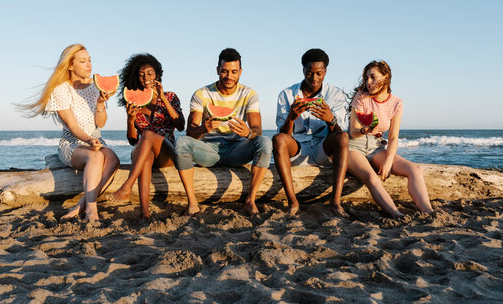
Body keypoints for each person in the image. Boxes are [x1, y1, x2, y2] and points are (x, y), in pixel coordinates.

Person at [19, 44, 120, 221]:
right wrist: (89, 140)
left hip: (95, 140)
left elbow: (100, 123)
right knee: (95, 157)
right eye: (83, 61)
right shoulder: (61, 90)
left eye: (89, 60)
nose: (89, 64)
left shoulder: (96, 87)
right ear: (70, 66)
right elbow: (73, 127)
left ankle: (80, 206)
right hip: (72, 144)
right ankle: (91, 209)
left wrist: (100, 104)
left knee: (113, 159)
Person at [174, 48, 272, 216]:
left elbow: (257, 130)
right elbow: (190, 133)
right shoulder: (202, 94)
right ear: (217, 70)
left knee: (265, 142)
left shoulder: (249, 94)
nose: (229, 76)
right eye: (225, 71)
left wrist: (248, 133)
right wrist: (203, 128)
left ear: (240, 72)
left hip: (237, 150)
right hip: (208, 151)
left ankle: (250, 200)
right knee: (181, 143)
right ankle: (192, 203)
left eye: (234, 72)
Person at [347, 60, 433, 217]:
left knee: (415, 169)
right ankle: (397, 215)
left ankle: (428, 212)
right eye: (366, 78)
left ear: (385, 76)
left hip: (376, 147)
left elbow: (393, 137)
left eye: (372, 77)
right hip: (354, 146)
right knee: (372, 178)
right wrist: (366, 130)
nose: (368, 82)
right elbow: (353, 132)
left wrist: (388, 162)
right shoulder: (361, 97)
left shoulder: (396, 102)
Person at [107, 54, 185, 222]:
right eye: (141, 75)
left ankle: (127, 186)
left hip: (165, 151)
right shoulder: (135, 101)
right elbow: (133, 140)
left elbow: (180, 125)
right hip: (143, 152)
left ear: (157, 74)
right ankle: (145, 214)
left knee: (148, 134)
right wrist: (130, 119)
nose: (146, 78)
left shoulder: (170, 96)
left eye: (150, 73)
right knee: (146, 155)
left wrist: (162, 97)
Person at [273, 48, 350, 217]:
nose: (314, 78)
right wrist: (291, 118)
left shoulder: (336, 95)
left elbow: (338, 136)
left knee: (343, 137)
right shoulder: (286, 95)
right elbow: (284, 136)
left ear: (325, 72)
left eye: (319, 73)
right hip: (297, 149)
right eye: (309, 73)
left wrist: (332, 120)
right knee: (278, 139)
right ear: (303, 70)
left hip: (322, 150)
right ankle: (293, 202)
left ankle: (335, 203)